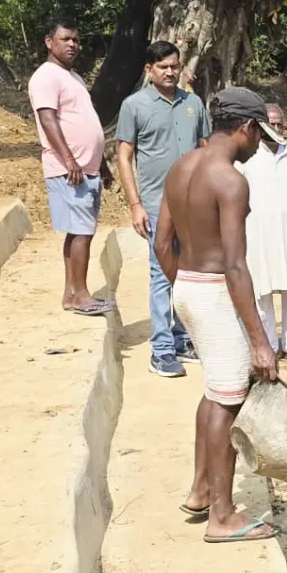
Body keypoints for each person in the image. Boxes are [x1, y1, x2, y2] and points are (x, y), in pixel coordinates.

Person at [153, 86, 286, 544]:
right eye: (258, 136)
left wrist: (183, 288)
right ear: (246, 127)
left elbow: (160, 242)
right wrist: (259, 340)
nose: (257, 146)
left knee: (214, 392)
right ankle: (223, 517)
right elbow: (234, 264)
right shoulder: (229, 179)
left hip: (187, 287)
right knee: (229, 401)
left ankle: (199, 491)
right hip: (212, 290)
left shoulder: (180, 167)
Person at [115, 40, 210, 377]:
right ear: (149, 70)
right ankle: (162, 350)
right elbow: (124, 156)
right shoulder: (134, 106)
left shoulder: (193, 104)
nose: (170, 72)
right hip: (157, 207)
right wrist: (135, 205)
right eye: (163, 67)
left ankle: (184, 339)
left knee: (189, 274)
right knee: (161, 275)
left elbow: (205, 149)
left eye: (174, 66)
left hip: (193, 207)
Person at [28, 18, 114, 316]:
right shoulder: (46, 76)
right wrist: (68, 159)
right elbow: (48, 119)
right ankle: (82, 295)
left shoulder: (73, 77)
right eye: (65, 39)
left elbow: (86, 120)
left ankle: (71, 294)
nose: (72, 45)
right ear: (49, 42)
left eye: (76, 40)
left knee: (78, 231)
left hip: (85, 168)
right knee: (82, 232)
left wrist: (101, 163)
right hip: (69, 169)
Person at [234, 103, 287, 363]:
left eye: (279, 123)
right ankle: (270, 345)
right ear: (259, 126)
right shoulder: (246, 157)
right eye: (269, 123)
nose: (275, 127)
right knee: (262, 292)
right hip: (256, 235)